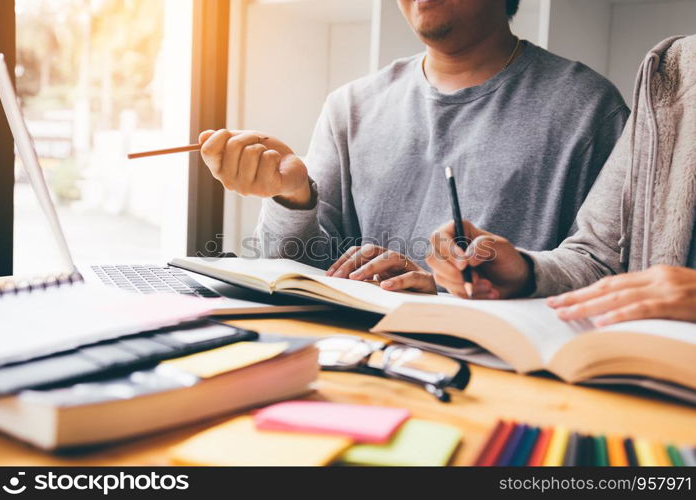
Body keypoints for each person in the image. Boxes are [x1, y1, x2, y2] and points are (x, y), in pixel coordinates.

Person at [198, 0, 627, 294]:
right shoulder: (349, 107)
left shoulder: (589, 110)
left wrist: (437, 294)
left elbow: (609, 274)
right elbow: (295, 277)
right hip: (359, 363)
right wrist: (292, 197)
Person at [426, 35, 696, 325]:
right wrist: (526, 272)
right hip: (645, 361)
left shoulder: (590, 101)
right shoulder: (678, 70)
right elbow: (599, 259)